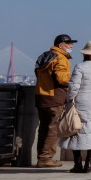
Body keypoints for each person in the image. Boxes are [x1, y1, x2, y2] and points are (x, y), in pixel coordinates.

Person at [60, 41, 91, 174]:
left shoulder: (80, 67)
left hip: (82, 102)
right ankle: (89, 163)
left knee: (75, 130)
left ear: (85, 53)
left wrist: (69, 99)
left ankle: (77, 164)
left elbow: (74, 87)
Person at [33, 34, 77, 168]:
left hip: (42, 95)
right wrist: (72, 81)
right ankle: (46, 158)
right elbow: (62, 79)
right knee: (53, 128)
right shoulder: (61, 58)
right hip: (55, 97)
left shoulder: (44, 56)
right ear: (60, 45)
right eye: (69, 43)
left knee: (44, 127)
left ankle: (42, 156)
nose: (71, 46)